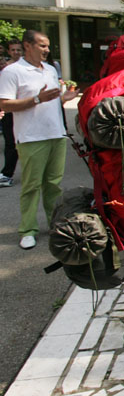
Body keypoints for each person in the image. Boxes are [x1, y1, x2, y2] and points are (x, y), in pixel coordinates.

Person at [0, 30, 78, 249]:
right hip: (31, 137)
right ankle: (27, 229)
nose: (46, 50)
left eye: (47, 46)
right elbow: (4, 104)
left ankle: (55, 225)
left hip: (56, 133)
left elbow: (50, 102)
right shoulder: (12, 71)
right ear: (28, 45)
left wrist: (64, 99)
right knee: (32, 186)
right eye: (42, 46)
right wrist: (36, 98)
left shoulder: (51, 69)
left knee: (53, 185)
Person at [0, 38, 23, 187]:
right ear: (9, 51)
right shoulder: (5, 69)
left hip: (24, 111)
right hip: (8, 111)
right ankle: (7, 174)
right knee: (10, 143)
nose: (15, 52)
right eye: (13, 50)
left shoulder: (27, 68)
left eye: (18, 50)